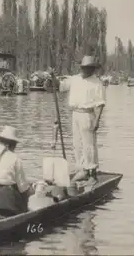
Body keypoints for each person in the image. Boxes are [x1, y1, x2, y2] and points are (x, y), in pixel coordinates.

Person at [50, 55, 106, 187]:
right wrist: (53, 77)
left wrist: (97, 120)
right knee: (77, 144)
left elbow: (100, 104)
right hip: (75, 114)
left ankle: (91, 173)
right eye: (84, 68)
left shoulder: (97, 83)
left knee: (89, 145)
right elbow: (60, 86)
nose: (86, 70)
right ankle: (82, 170)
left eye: (89, 68)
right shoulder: (74, 79)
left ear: (92, 69)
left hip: (88, 114)